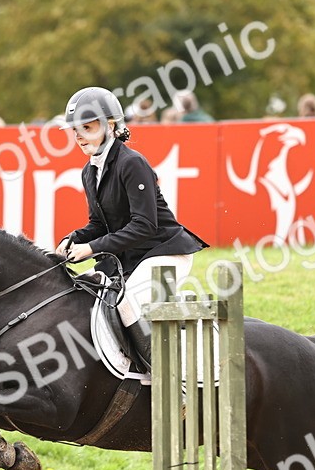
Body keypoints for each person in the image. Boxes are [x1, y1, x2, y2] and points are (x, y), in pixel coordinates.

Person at [55, 87, 206, 371]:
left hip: (165, 252)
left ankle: (165, 374)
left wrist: (92, 248)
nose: (78, 136)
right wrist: (72, 238)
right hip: (131, 257)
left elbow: (145, 225)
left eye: (86, 128)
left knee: (125, 301)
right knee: (84, 293)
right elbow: (99, 224)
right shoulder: (89, 171)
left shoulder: (132, 163)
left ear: (109, 126)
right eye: (75, 130)